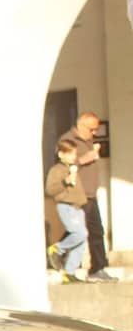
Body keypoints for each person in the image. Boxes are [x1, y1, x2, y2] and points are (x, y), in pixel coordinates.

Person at [60, 112, 115, 282]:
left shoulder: (88, 140)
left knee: (95, 231)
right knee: (78, 231)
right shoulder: (68, 140)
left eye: (96, 129)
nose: (94, 133)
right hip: (77, 195)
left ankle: (97, 268)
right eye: (92, 129)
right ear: (81, 126)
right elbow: (62, 165)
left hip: (90, 194)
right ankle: (59, 257)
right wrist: (84, 159)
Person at [44, 139, 89, 284]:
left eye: (74, 153)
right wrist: (65, 181)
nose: (73, 157)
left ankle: (69, 272)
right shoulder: (56, 170)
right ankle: (57, 249)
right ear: (61, 154)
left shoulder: (72, 168)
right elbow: (50, 189)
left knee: (81, 241)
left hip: (77, 207)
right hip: (66, 206)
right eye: (70, 154)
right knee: (80, 234)